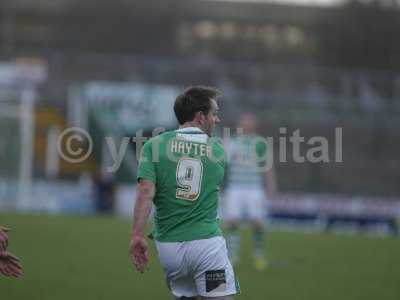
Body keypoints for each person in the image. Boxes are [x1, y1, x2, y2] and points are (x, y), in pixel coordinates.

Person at [129, 86, 239, 299]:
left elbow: (145, 192)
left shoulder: (154, 146)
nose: (217, 120)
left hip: (170, 251)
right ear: (200, 117)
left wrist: (137, 235)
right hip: (208, 249)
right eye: (214, 114)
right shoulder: (217, 150)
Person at [223, 113, 277, 271]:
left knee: (257, 221)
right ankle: (233, 256)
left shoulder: (260, 142)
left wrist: (271, 184)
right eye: (244, 121)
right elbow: (223, 164)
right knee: (232, 221)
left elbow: (267, 165)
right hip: (235, 187)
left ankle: (259, 255)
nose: (246, 124)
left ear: (254, 124)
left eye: (249, 121)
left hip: (254, 187)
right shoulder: (231, 142)